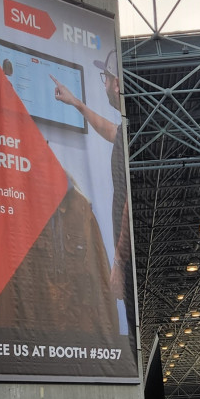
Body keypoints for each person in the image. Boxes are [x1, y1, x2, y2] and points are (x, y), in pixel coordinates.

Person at [51, 52, 131, 306]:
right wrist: (77, 104)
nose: (104, 83)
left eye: (105, 78)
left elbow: (129, 204)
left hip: (129, 259)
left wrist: (119, 260)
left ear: (116, 83)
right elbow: (111, 131)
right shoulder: (128, 129)